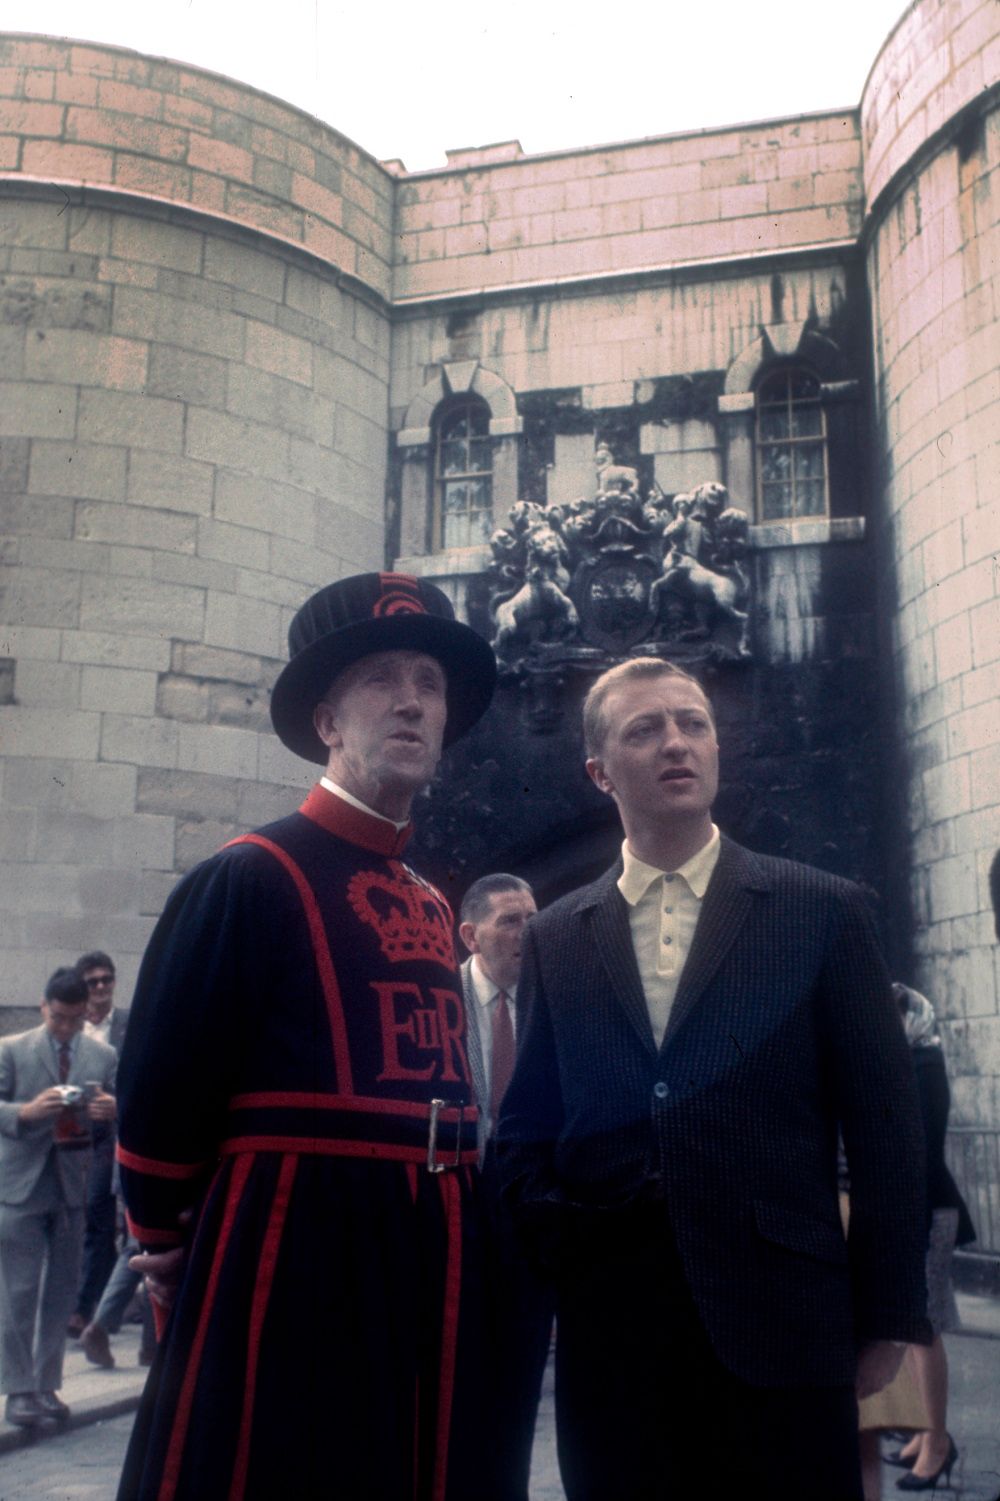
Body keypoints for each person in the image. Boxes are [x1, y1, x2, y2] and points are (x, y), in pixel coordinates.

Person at [497, 657, 931, 1501]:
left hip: (785, 1330)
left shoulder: (821, 909)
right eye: (645, 729)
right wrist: (567, 1246)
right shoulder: (557, 935)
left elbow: (887, 1128)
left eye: (692, 723)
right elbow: (526, 1129)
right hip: (614, 1336)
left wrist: (889, 1313)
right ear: (599, 771)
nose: (676, 742)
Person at [115, 571, 500, 1501]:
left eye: (429, 682)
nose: (411, 700)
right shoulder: (249, 874)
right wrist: (164, 1235)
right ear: (327, 720)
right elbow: (163, 1084)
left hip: (429, 1247)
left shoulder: (431, 899)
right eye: (380, 679)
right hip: (295, 1250)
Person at [458, 874, 554, 1501]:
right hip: (454, 1209)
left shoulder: (555, 1002)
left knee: (518, 1379)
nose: (527, 932)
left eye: (532, 919)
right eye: (510, 921)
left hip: (527, 1221)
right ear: (471, 936)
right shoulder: (438, 999)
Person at [0, 967, 117, 1427]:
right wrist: (25, 1112)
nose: (66, 1027)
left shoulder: (102, 1055)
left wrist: (111, 1108)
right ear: (43, 1007)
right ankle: (18, 1390)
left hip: (72, 1185)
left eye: (75, 1019)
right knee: (18, 1291)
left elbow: (119, 1105)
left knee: (61, 1292)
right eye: (58, 1018)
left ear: (86, 1013)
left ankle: (46, 1385)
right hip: (19, 1186)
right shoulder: (11, 1050)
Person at [881, 983, 975, 1493]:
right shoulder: (914, 1061)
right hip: (918, 1208)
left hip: (927, 1210)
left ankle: (937, 1443)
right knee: (916, 1329)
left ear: (909, 1018)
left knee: (926, 1327)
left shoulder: (923, 1065)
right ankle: (925, 1432)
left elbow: (916, 1147)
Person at [69, 950, 128, 1338]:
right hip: (72, 1133)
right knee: (82, 1219)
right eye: (93, 981)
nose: (102, 987)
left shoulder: (127, 1024)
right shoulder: (69, 1026)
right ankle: (98, 1304)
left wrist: (117, 1104)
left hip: (110, 1135)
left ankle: (83, 1309)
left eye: (107, 979)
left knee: (98, 1213)